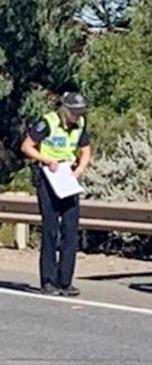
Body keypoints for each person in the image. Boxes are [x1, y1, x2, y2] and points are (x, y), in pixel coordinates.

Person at [20, 92, 91, 296]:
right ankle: (48, 281)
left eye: (80, 112)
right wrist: (47, 159)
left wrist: (79, 169)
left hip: (67, 176)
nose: (77, 116)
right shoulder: (48, 122)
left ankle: (65, 281)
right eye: (74, 112)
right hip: (48, 175)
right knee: (50, 229)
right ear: (65, 110)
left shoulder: (80, 124)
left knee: (70, 229)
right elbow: (26, 146)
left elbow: (85, 150)